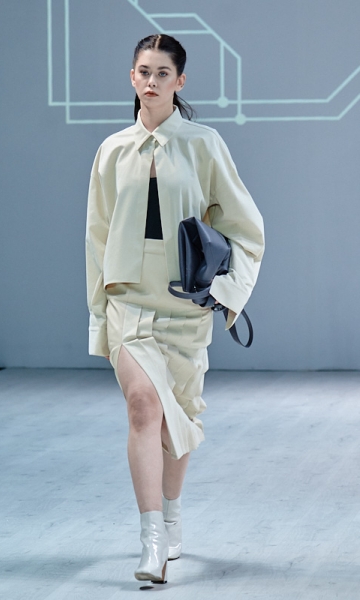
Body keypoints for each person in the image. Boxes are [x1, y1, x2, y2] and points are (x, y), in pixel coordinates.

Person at [85, 34, 265, 584]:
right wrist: (99, 315)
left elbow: (246, 228)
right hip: (128, 302)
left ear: (179, 81)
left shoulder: (204, 145)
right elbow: (96, 238)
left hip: (183, 307)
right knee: (143, 407)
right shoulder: (112, 150)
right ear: (131, 76)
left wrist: (225, 293)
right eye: (144, 71)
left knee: (179, 418)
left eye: (163, 73)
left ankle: (171, 514)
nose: (151, 81)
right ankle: (152, 541)